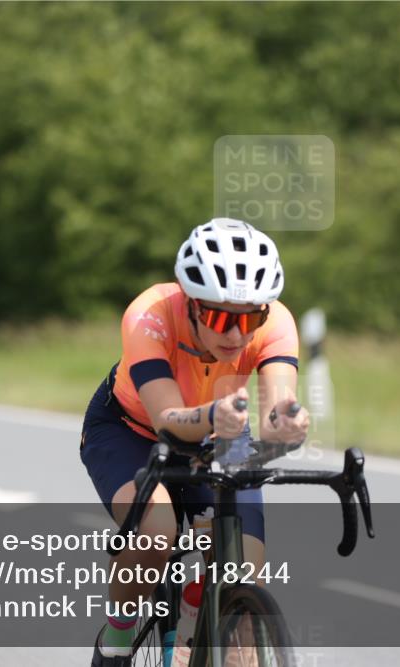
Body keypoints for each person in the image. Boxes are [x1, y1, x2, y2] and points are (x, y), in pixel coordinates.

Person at [80, 218, 309, 666]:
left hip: (220, 430)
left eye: (250, 319)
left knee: (242, 575)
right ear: (190, 303)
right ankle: (117, 639)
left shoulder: (276, 320)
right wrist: (211, 418)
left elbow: (279, 402)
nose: (236, 335)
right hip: (132, 429)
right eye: (221, 317)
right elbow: (168, 419)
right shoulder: (150, 314)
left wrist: (285, 423)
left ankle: (193, 625)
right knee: (156, 533)